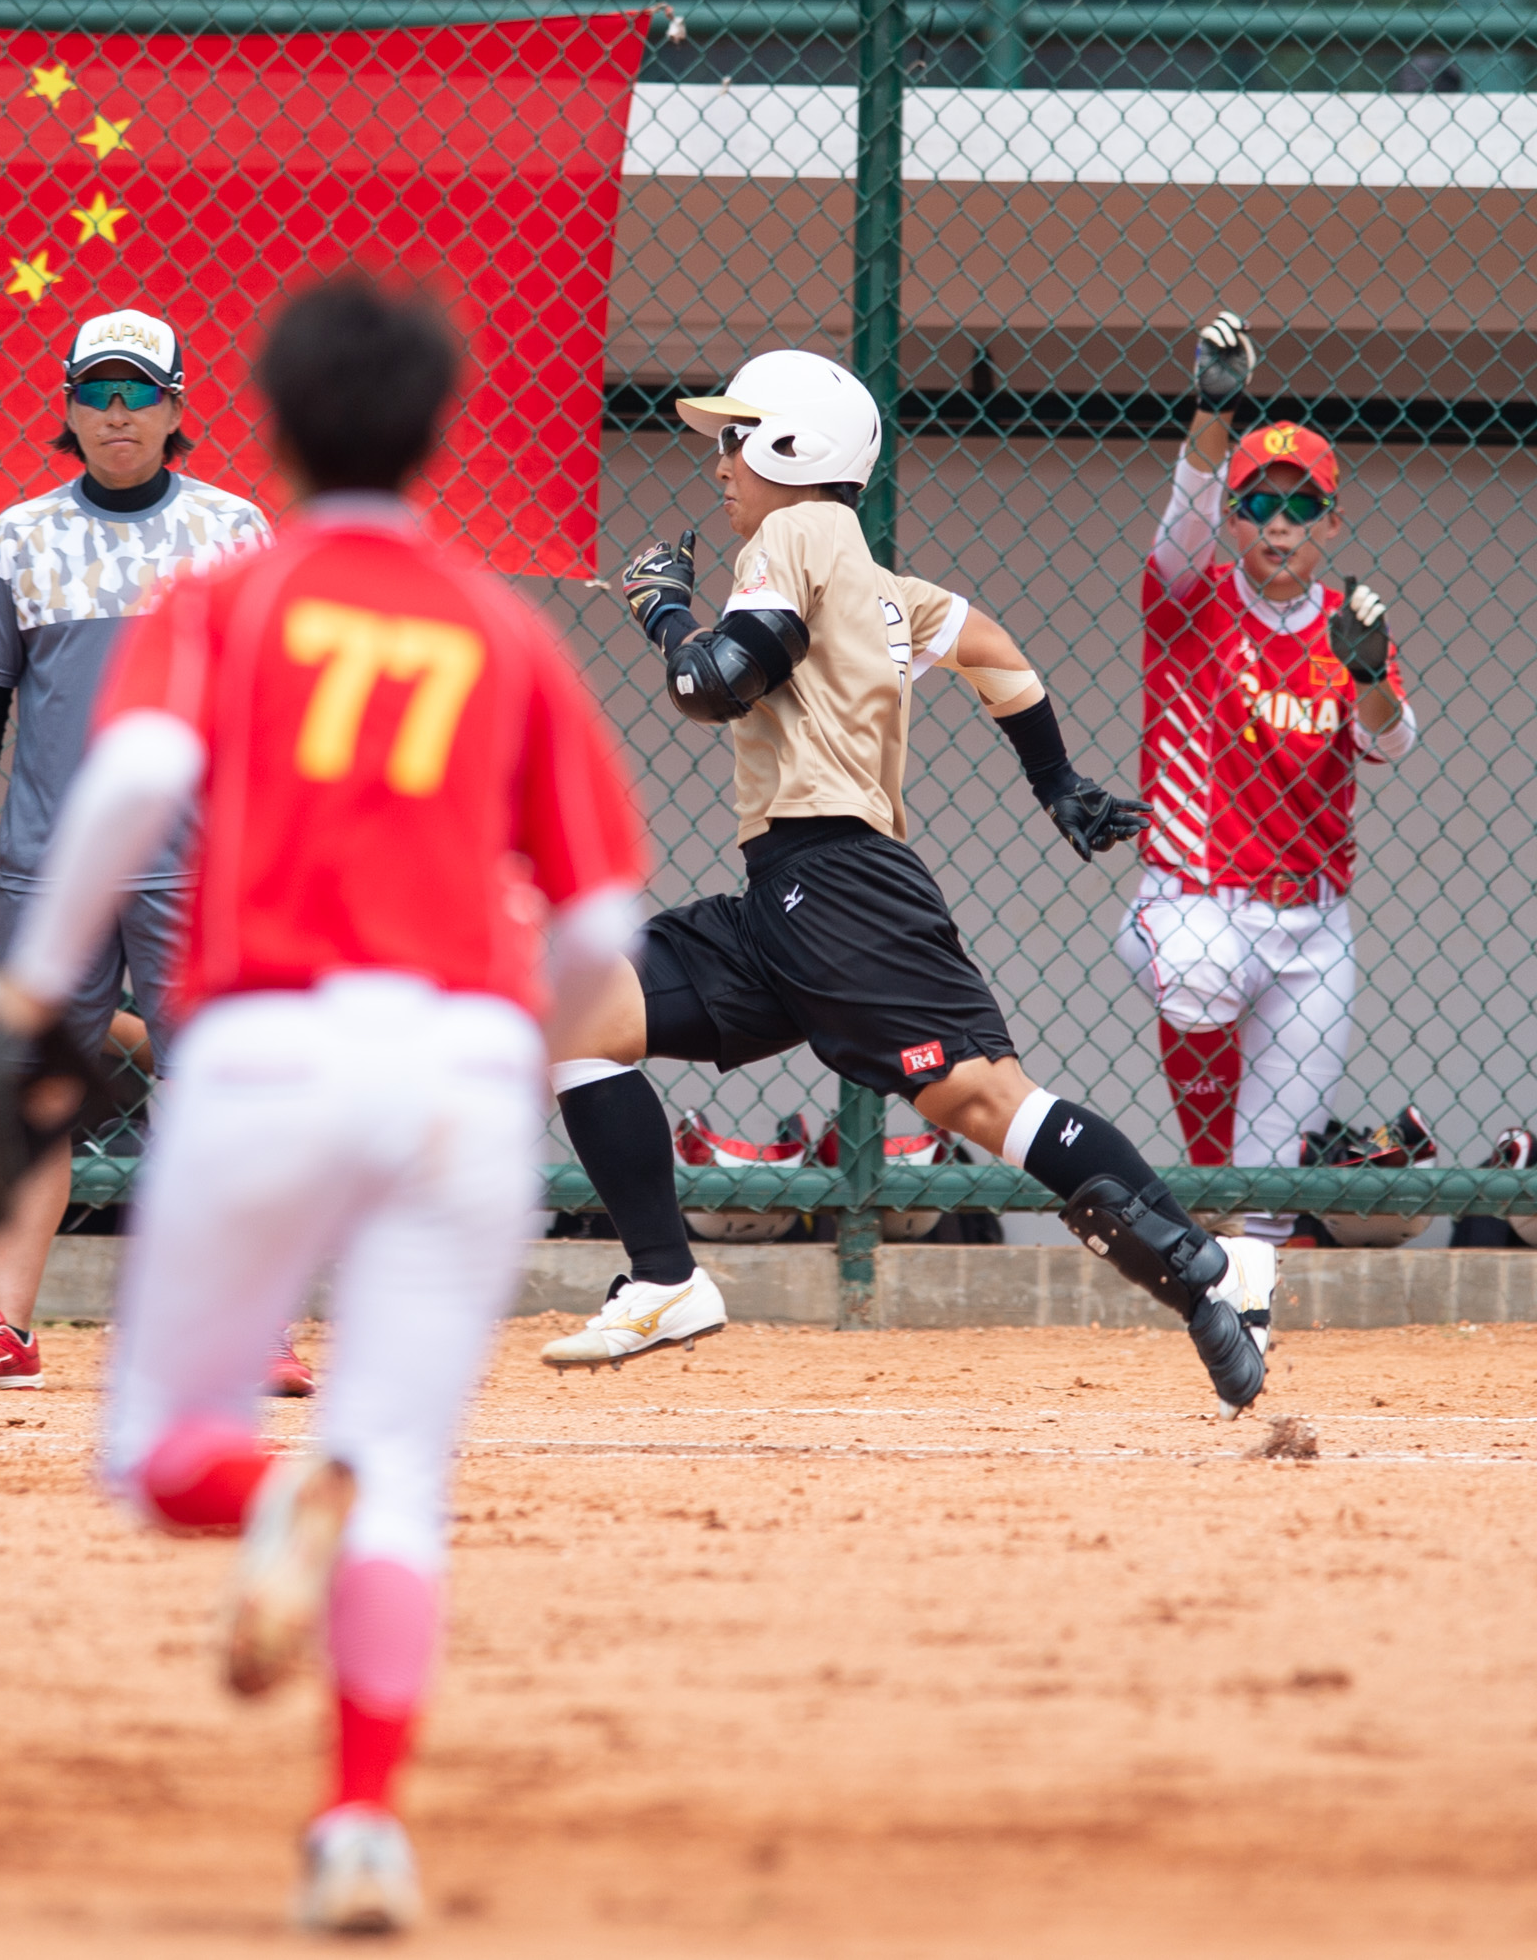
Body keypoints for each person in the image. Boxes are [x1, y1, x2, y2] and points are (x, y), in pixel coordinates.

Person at [0, 280, 649, 1932]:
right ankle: (359, 1829)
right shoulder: (502, 627)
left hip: (263, 1050)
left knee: (152, 1453)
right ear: (435, 435)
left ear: (253, 421)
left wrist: (28, 989)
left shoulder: (232, 596)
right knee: (399, 1470)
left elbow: (127, 786)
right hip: (464, 1070)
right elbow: (603, 927)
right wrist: (501, 1045)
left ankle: (274, 1495)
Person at [545, 348, 1280, 1417]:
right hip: (786, 895)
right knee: (579, 1012)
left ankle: (1216, 1268)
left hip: (839, 888)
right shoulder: (878, 584)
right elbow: (996, 654)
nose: (721, 458)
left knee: (987, 1101)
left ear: (797, 447)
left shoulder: (795, 535)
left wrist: (664, 611)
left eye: (738, 434)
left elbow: (714, 682)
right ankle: (665, 1278)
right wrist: (1056, 783)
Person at [0, 306, 299, 1393]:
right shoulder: (20, 534)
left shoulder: (232, 530)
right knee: (34, 1086)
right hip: (50, 862)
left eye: (140, 395)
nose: (117, 414)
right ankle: (4, 1326)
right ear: (69, 409)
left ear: (177, 411)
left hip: (200, 858)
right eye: (98, 393)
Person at [1119, 312, 1418, 1244]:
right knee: (1200, 976)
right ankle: (1205, 1175)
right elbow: (1181, 526)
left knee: (1272, 1193)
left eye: (1298, 505)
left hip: (1314, 923)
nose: (1277, 522)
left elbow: (1390, 744)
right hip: (1193, 900)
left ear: (1330, 519)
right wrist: (1215, 414)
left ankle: (1240, 1332)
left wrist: (1368, 676)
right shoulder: (1191, 602)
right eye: (1257, 504)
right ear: (1236, 519)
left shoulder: (1348, 625)